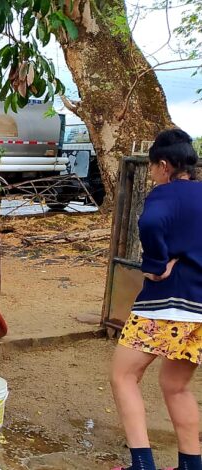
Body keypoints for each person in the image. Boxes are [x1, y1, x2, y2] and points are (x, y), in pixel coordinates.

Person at [110, 128, 201, 470]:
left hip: (166, 306)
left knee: (123, 376)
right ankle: (192, 466)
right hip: (200, 310)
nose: (152, 174)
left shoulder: (164, 195)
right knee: (175, 387)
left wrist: (155, 265)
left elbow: (150, 223)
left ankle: (142, 464)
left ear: (164, 165)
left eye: (151, 168)